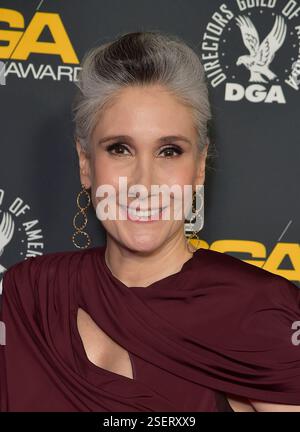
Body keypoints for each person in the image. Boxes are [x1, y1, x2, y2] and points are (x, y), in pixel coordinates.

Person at [1, 30, 300, 412]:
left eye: (169, 151)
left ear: (198, 168)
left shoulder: (260, 310)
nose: (144, 183)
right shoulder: (29, 295)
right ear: (85, 163)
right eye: (120, 149)